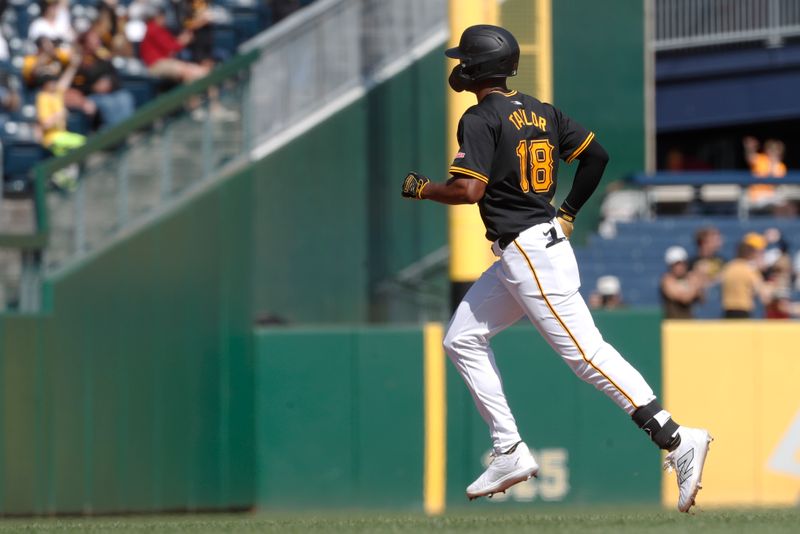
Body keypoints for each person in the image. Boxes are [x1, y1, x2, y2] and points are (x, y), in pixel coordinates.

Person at [401, 25, 711, 513]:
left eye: (465, 59)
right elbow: (597, 156)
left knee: (586, 356)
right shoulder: (541, 111)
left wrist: (423, 188)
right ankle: (509, 450)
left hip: (527, 251)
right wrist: (567, 212)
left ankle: (676, 438)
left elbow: (468, 191)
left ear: (478, 68)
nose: (459, 66)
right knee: (460, 338)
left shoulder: (480, 117)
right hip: (530, 246)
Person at [72, 28, 135, 128]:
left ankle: (129, 131)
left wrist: (110, 84)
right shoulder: (80, 62)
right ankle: (115, 137)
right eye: (92, 40)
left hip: (112, 92)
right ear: (86, 43)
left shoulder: (103, 56)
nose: (96, 42)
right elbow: (78, 86)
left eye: (96, 39)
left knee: (125, 97)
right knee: (108, 104)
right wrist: (93, 87)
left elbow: (115, 76)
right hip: (93, 95)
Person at [140, 7, 209, 83]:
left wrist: (182, 39)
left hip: (166, 62)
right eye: (162, 16)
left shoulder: (160, 29)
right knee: (189, 72)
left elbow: (172, 44)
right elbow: (172, 47)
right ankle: (190, 94)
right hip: (156, 65)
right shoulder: (153, 28)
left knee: (201, 71)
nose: (164, 19)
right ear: (157, 17)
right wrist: (183, 40)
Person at [720, 233, 771, 319]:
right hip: (743, 311)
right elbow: (764, 296)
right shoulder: (750, 269)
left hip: (727, 311)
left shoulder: (729, 267)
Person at [660, 246, 703, 319]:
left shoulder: (691, 278)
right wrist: (693, 287)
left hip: (689, 322)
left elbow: (702, 297)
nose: (680, 267)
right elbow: (684, 298)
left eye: (682, 264)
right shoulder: (667, 280)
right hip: (672, 323)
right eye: (676, 264)